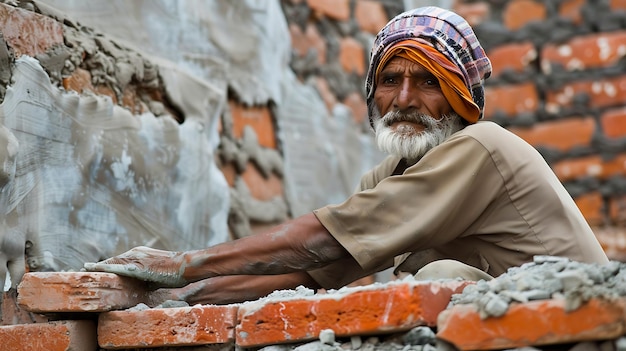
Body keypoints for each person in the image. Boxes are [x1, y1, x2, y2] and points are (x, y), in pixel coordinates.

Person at [84, 6, 609, 305]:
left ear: (461, 96)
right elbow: (312, 269)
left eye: (429, 82)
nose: (403, 100)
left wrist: (180, 264)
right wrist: (179, 298)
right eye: (389, 81)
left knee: (435, 281)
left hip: (575, 325)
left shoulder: (482, 147)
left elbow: (318, 238)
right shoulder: (389, 176)